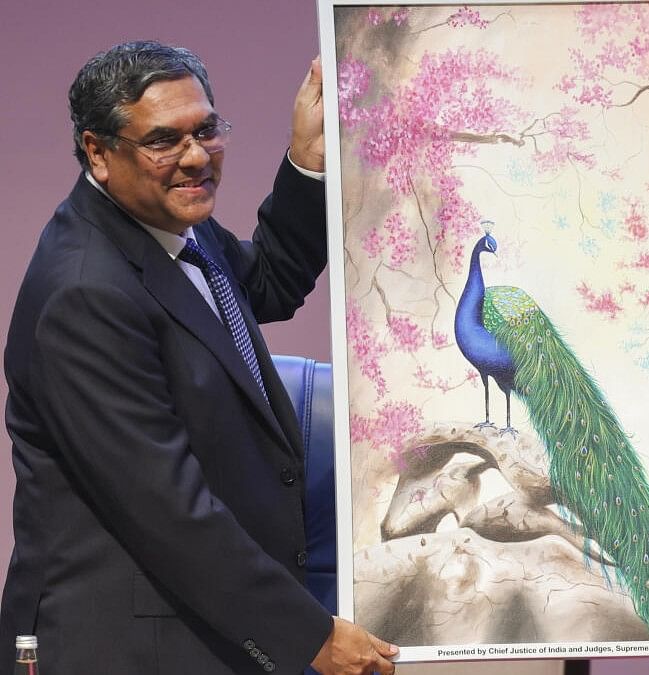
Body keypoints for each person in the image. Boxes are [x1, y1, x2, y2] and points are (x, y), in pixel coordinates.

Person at [0, 41, 396, 674]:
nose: (195, 157)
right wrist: (307, 636)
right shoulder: (85, 294)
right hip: (128, 652)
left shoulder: (168, 226)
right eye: (163, 141)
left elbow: (261, 283)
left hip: (196, 631)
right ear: (98, 152)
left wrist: (308, 162)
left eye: (206, 130)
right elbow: (168, 510)